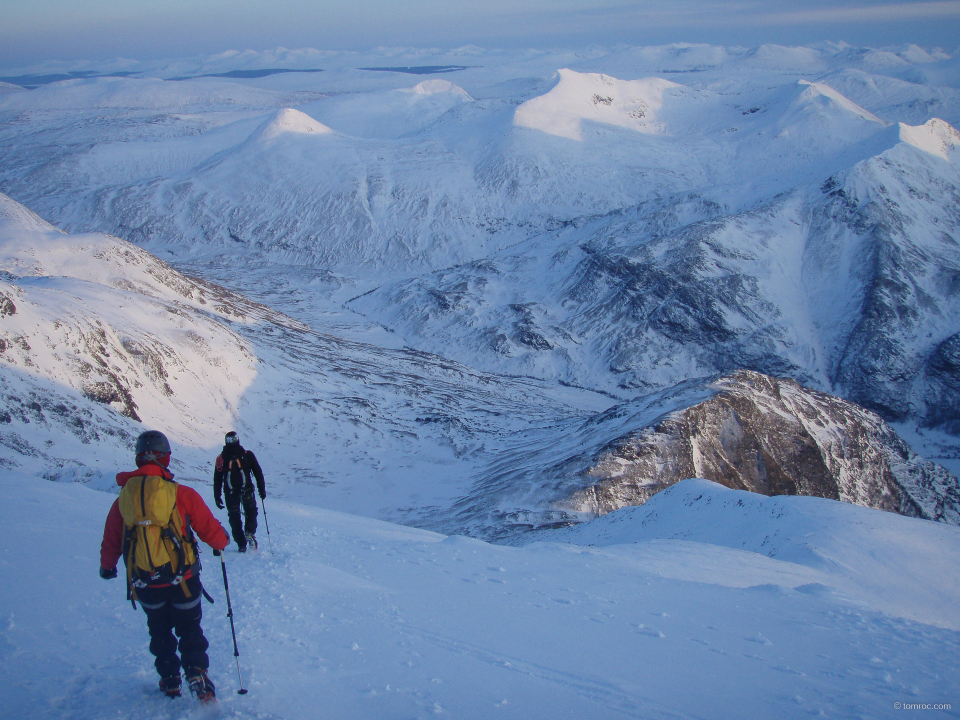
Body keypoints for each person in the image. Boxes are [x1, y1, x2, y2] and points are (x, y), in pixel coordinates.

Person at [100, 430, 229, 702]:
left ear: (138, 459)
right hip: (183, 579)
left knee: (159, 629)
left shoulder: (123, 500)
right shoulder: (181, 494)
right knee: (189, 628)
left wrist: (107, 567)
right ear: (166, 458)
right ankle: (197, 674)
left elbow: (112, 539)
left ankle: (170, 680)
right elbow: (209, 529)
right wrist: (222, 541)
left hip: (144, 581)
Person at [213, 431, 266, 552]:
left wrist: (217, 496)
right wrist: (261, 490)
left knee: (234, 517)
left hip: (230, 493)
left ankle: (241, 544)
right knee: (251, 511)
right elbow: (258, 472)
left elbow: (217, 479)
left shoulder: (221, 459)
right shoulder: (247, 455)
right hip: (246, 490)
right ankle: (249, 531)